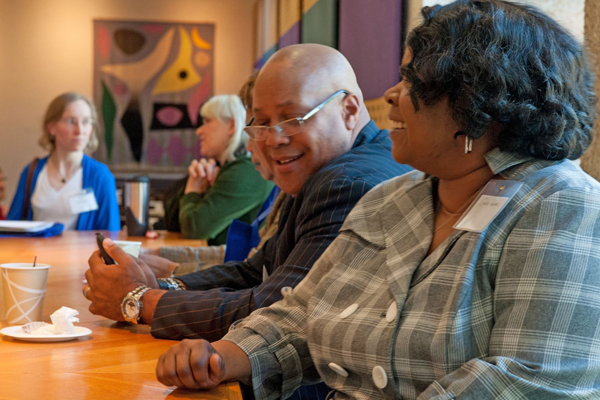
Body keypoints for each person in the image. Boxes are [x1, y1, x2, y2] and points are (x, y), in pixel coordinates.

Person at [154, 1, 600, 399]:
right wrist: (220, 357)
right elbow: (303, 312)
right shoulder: (392, 199)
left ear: (479, 101)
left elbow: (529, 381)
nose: (390, 95)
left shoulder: (563, 205)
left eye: (412, 80)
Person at [83, 43, 411, 342]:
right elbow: (256, 270)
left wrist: (138, 301)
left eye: (292, 118)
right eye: (262, 124)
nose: (271, 139)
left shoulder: (348, 182)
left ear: (350, 111)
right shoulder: (330, 167)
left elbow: (275, 307)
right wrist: (161, 287)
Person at [165, 94, 273, 243]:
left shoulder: (245, 171)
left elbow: (195, 230)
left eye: (207, 121)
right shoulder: (230, 168)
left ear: (231, 126)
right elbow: (173, 222)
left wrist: (193, 189)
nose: (199, 131)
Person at [7, 92, 119, 230]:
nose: (80, 130)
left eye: (86, 122)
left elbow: (111, 235)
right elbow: (11, 228)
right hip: (33, 252)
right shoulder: (32, 171)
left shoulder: (101, 175)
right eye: (71, 121)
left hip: (83, 252)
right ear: (51, 127)